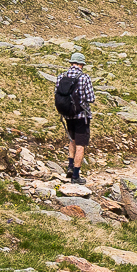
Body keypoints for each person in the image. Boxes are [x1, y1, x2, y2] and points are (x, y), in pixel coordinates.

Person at [52, 51, 94, 184]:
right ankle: (76, 176)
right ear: (81, 64)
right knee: (81, 145)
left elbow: (56, 94)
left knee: (72, 140)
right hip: (81, 116)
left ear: (71, 63)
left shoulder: (61, 76)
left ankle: (70, 167)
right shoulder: (84, 77)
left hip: (67, 115)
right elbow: (91, 98)